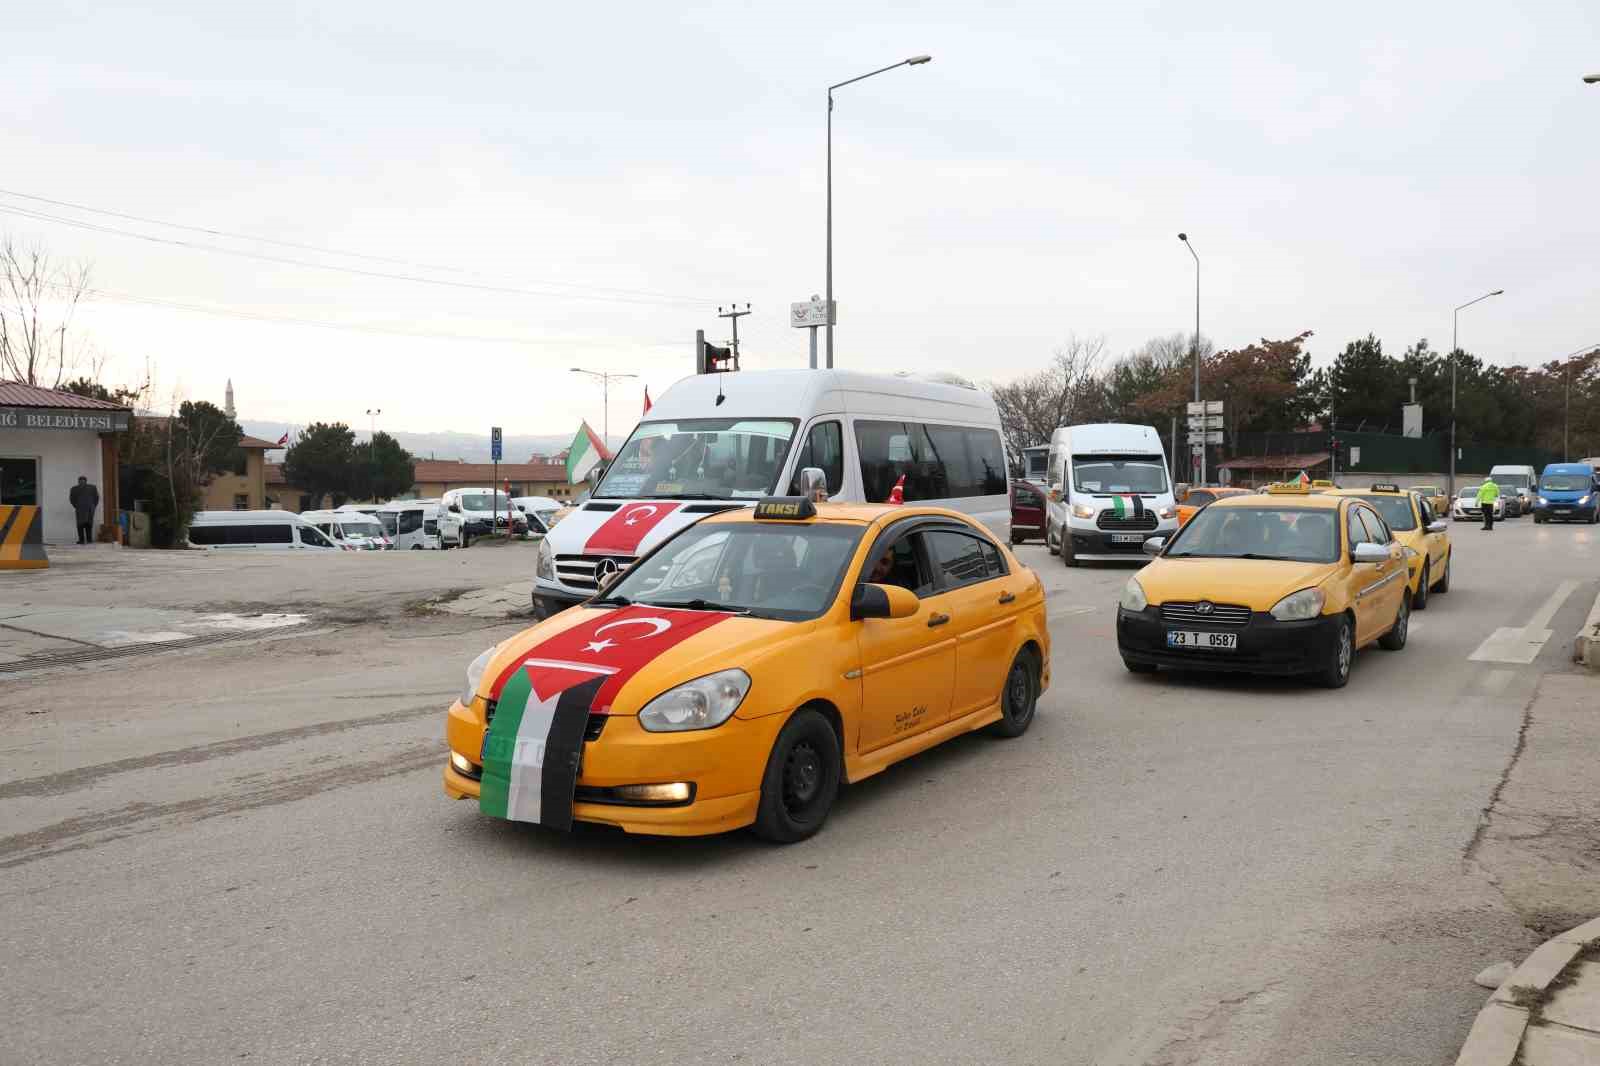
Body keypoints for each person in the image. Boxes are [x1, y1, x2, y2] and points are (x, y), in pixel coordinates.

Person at [68, 475, 99, 545]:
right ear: (78, 482)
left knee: (87, 524)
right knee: (82, 525)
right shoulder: (74, 489)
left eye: (83, 481)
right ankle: (84, 540)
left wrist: (93, 506)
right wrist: (77, 506)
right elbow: (72, 499)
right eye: (80, 481)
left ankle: (87, 540)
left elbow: (96, 498)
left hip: (88, 509)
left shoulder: (92, 488)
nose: (81, 482)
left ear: (85, 481)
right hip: (82, 509)